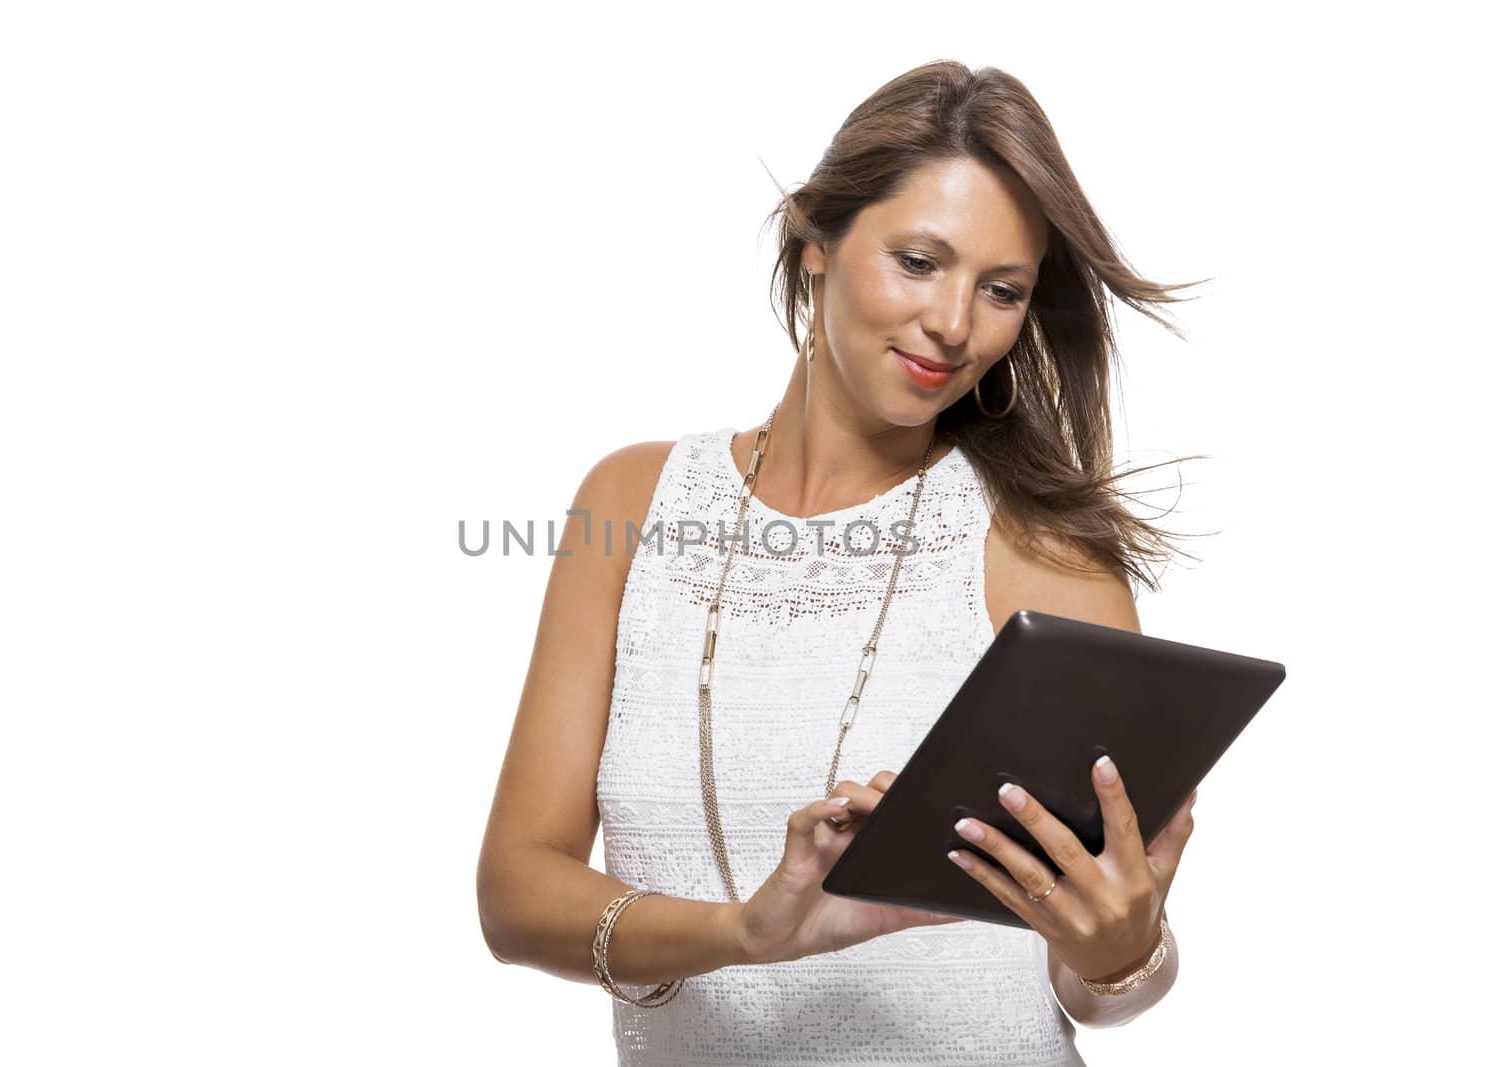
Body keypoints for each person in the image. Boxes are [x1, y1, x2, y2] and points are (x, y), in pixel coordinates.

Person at [476, 58, 1208, 1065]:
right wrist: (743, 932)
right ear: (812, 237)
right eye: (918, 260)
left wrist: (1125, 951)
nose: (954, 323)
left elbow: (1097, 976)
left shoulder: (1037, 548)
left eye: (1000, 289)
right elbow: (515, 891)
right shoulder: (632, 501)